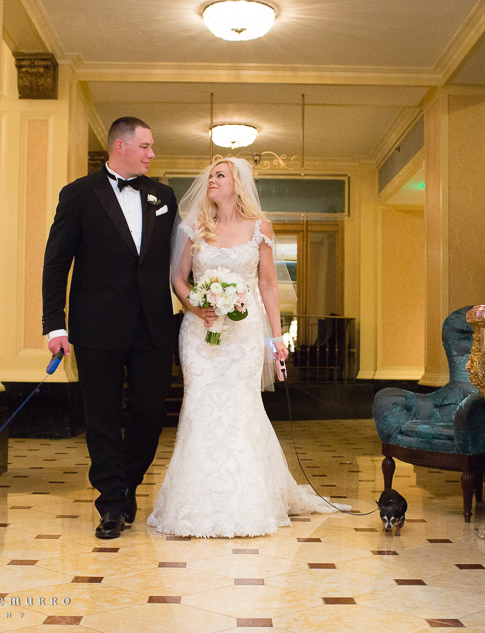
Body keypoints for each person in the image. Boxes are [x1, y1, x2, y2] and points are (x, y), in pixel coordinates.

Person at [147, 157, 349, 538]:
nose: (211, 181)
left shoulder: (260, 229)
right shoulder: (194, 227)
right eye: (210, 176)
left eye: (219, 175)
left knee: (241, 409)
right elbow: (178, 278)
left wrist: (277, 339)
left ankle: (247, 502)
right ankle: (194, 505)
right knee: (201, 409)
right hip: (199, 333)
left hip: (243, 336)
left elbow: (269, 285)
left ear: (237, 184)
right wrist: (196, 304)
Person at [42, 117, 178, 540]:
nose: (152, 154)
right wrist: (54, 326)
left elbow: (181, 255)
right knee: (101, 416)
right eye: (146, 146)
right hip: (96, 325)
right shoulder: (79, 194)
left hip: (153, 325)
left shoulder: (163, 196)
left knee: (151, 413)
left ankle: (127, 483)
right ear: (120, 146)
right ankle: (111, 504)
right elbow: (56, 262)